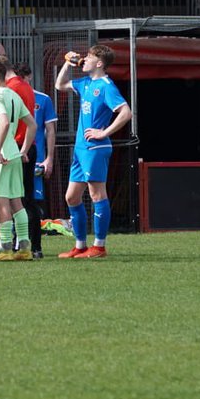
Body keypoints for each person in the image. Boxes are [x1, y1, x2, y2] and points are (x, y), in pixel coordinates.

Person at [54, 45, 131, 259]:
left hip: (96, 148)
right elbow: (59, 85)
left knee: (97, 194)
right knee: (71, 197)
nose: (84, 60)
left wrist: (103, 132)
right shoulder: (86, 82)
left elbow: (126, 112)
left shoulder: (106, 86)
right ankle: (80, 246)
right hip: (81, 149)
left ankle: (99, 246)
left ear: (99, 63)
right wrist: (68, 64)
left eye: (89, 57)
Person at [0, 57, 37, 262]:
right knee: (16, 201)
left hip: (0, 156)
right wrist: (23, 150)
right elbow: (32, 125)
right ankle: (24, 246)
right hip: (13, 154)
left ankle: (4, 246)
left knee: (1, 201)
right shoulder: (14, 95)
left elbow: (3, 121)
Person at [20, 64, 59, 257]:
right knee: (14, 200)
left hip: (35, 159)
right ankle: (16, 243)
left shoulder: (43, 99)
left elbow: (50, 130)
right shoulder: (10, 96)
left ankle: (36, 246)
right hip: (15, 156)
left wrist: (49, 159)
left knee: (32, 201)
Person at [4, 58, 38, 256]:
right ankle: (35, 246)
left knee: (11, 198)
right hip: (27, 145)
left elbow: (6, 121)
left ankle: (15, 242)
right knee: (27, 198)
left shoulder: (10, 89)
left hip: (15, 146)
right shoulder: (25, 87)